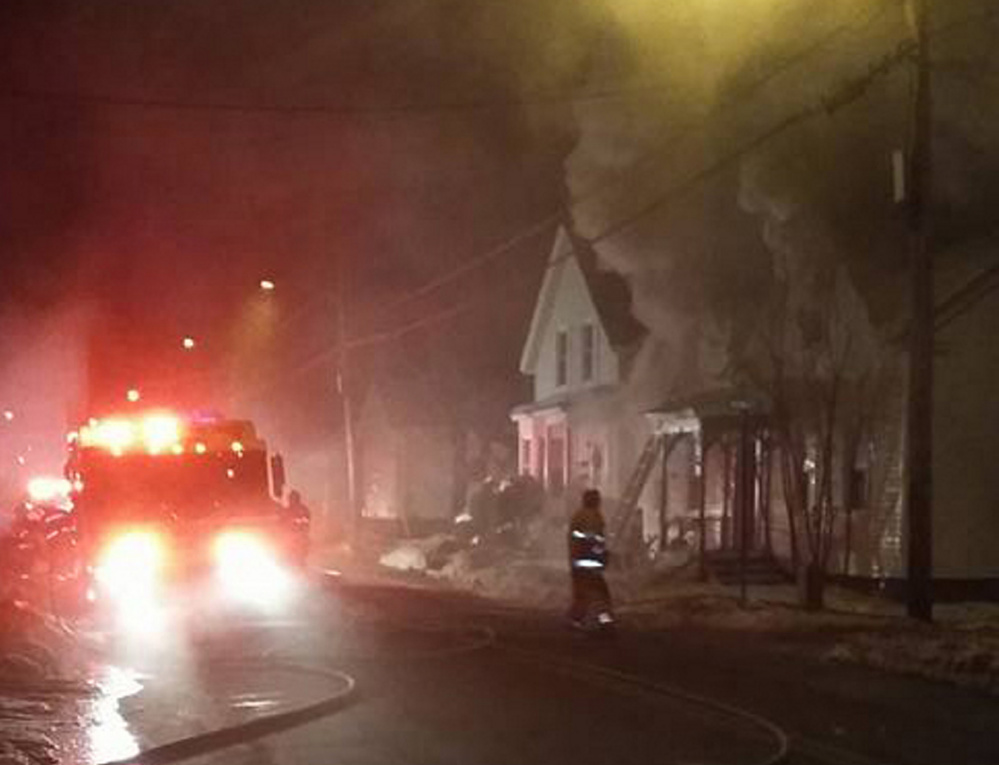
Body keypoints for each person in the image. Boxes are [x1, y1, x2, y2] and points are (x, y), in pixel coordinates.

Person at [568, 489, 614, 630]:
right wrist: (602, 555)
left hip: (579, 562)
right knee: (601, 595)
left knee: (582, 595)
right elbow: (594, 540)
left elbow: (578, 539)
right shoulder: (593, 517)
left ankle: (575, 619)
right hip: (590, 563)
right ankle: (605, 622)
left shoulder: (579, 515)